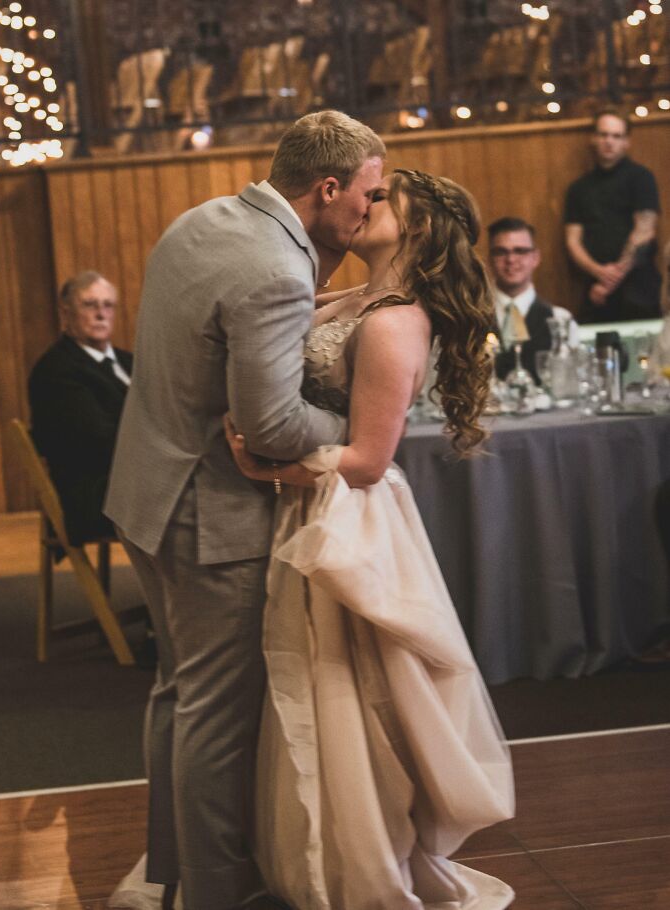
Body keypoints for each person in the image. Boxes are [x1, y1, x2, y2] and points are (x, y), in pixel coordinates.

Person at [104, 110, 386, 910]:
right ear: (326, 187)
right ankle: (219, 893)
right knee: (217, 716)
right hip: (207, 516)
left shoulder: (204, 219)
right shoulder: (274, 265)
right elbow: (269, 427)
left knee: (178, 696)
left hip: (147, 491)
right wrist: (362, 430)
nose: (371, 208)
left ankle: (177, 872)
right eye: (367, 193)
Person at [225, 169, 515, 909]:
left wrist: (266, 466)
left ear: (416, 229)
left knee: (351, 689)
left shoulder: (393, 321)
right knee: (318, 681)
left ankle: (365, 867)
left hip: (349, 514)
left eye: (383, 198)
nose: (364, 202)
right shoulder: (354, 299)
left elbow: (367, 460)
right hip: (312, 506)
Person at [29, 271, 132, 547]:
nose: (101, 313)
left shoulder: (130, 361)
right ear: (66, 313)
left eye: (107, 305)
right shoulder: (57, 371)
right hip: (94, 496)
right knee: (193, 500)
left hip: (133, 481)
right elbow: (98, 440)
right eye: (89, 305)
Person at [564, 108, 661, 324]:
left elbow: (644, 231)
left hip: (638, 288)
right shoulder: (578, 188)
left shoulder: (641, 178)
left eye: (616, 136)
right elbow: (572, 240)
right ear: (593, 138)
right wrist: (599, 272)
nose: (609, 141)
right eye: (604, 134)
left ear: (627, 142)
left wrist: (609, 282)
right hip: (595, 289)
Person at [488, 216, 578, 383]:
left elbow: (568, 386)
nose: (511, 260)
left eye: (520, 251)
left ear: (535, 257)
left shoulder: (560, 320)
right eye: (501, 252)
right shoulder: (470, 319)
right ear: (490, 258)